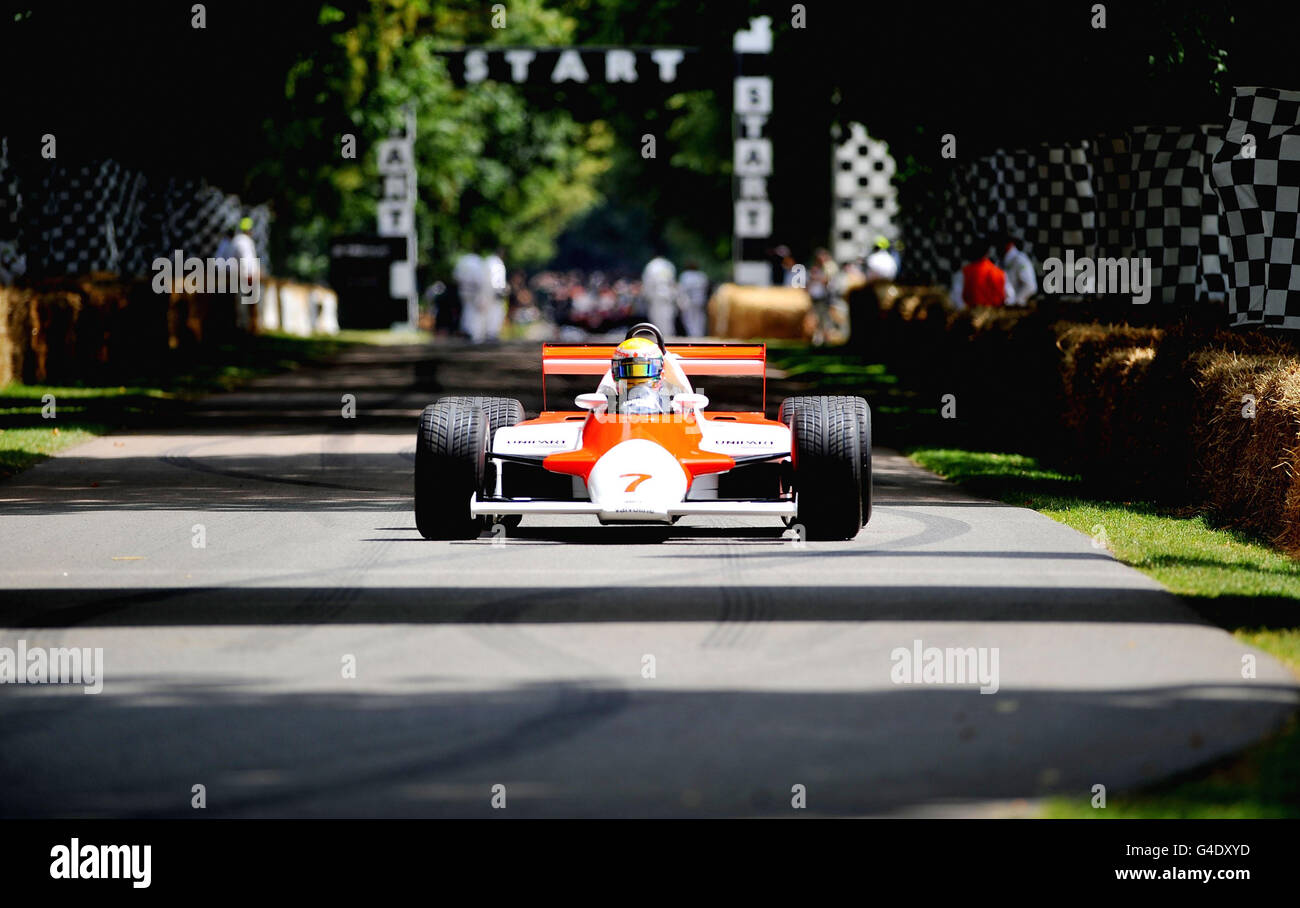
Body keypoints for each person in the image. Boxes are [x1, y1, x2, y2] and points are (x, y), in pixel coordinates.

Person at [950, 240, 1016, 309]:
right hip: (995, 315)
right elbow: (1011, 297)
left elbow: (956, 297)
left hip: (972, 316)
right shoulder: (1000, 273)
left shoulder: (963, 273)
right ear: (987, 253)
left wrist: (965, 312)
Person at [998, 233, 1037, 306]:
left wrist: (1015, 301)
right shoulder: (1001, 260)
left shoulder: (1020, 260)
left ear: (1010, 244)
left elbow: (1030, 286)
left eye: (1000, 243)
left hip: (1016, 307)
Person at [453, 252, 485, 341]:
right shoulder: (477, 262)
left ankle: (465, 329)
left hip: (463, 289)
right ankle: (471, 331)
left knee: (466, 309)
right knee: (473, 311)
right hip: (474, 290)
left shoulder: (463, 261)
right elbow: (480, 279)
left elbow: (456, 277)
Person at [641, 255, 677, 333]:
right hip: (668, 296)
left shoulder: (651, 266)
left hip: (656, 296)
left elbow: (648, 283)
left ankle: (661, 338)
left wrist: (648, 296)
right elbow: (672, 282)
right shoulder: (668, 265)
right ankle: (669, 337)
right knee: (668, 319)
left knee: (657, 320)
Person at [481, 247, 508, 340]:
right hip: (494, 292)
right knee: (496, 312)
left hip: (484, 292)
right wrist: (499, 290)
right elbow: (497, 280)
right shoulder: (497, 264)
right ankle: (491, 333)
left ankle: (486, 332)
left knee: (486, 312)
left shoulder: (487, 261)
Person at [677, 260, 709, 337]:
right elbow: (706, 288)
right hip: (700, 299)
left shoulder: (685, 276)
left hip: (689, 300)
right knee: (699, 319)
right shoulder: (702, 276)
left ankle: (692, 334)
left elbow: (682, 289)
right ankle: (698, 334)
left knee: (689, 319)